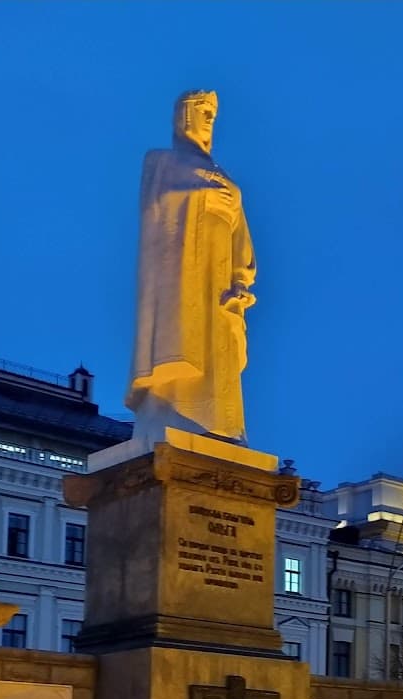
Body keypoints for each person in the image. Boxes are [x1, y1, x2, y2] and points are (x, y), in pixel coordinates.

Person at [129, 90, 257, 448]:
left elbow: (241, 235)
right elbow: (154, 207)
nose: (209, 121)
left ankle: (221, 426)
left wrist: (241, 278)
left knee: (220, 349)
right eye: (203, 113)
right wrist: (202, 193)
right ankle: (171, 414)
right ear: (184, 116)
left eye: (213, 115)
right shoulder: (161, 161)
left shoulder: (223, 175)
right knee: (185, 342)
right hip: (182, 278)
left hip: (220, 284)